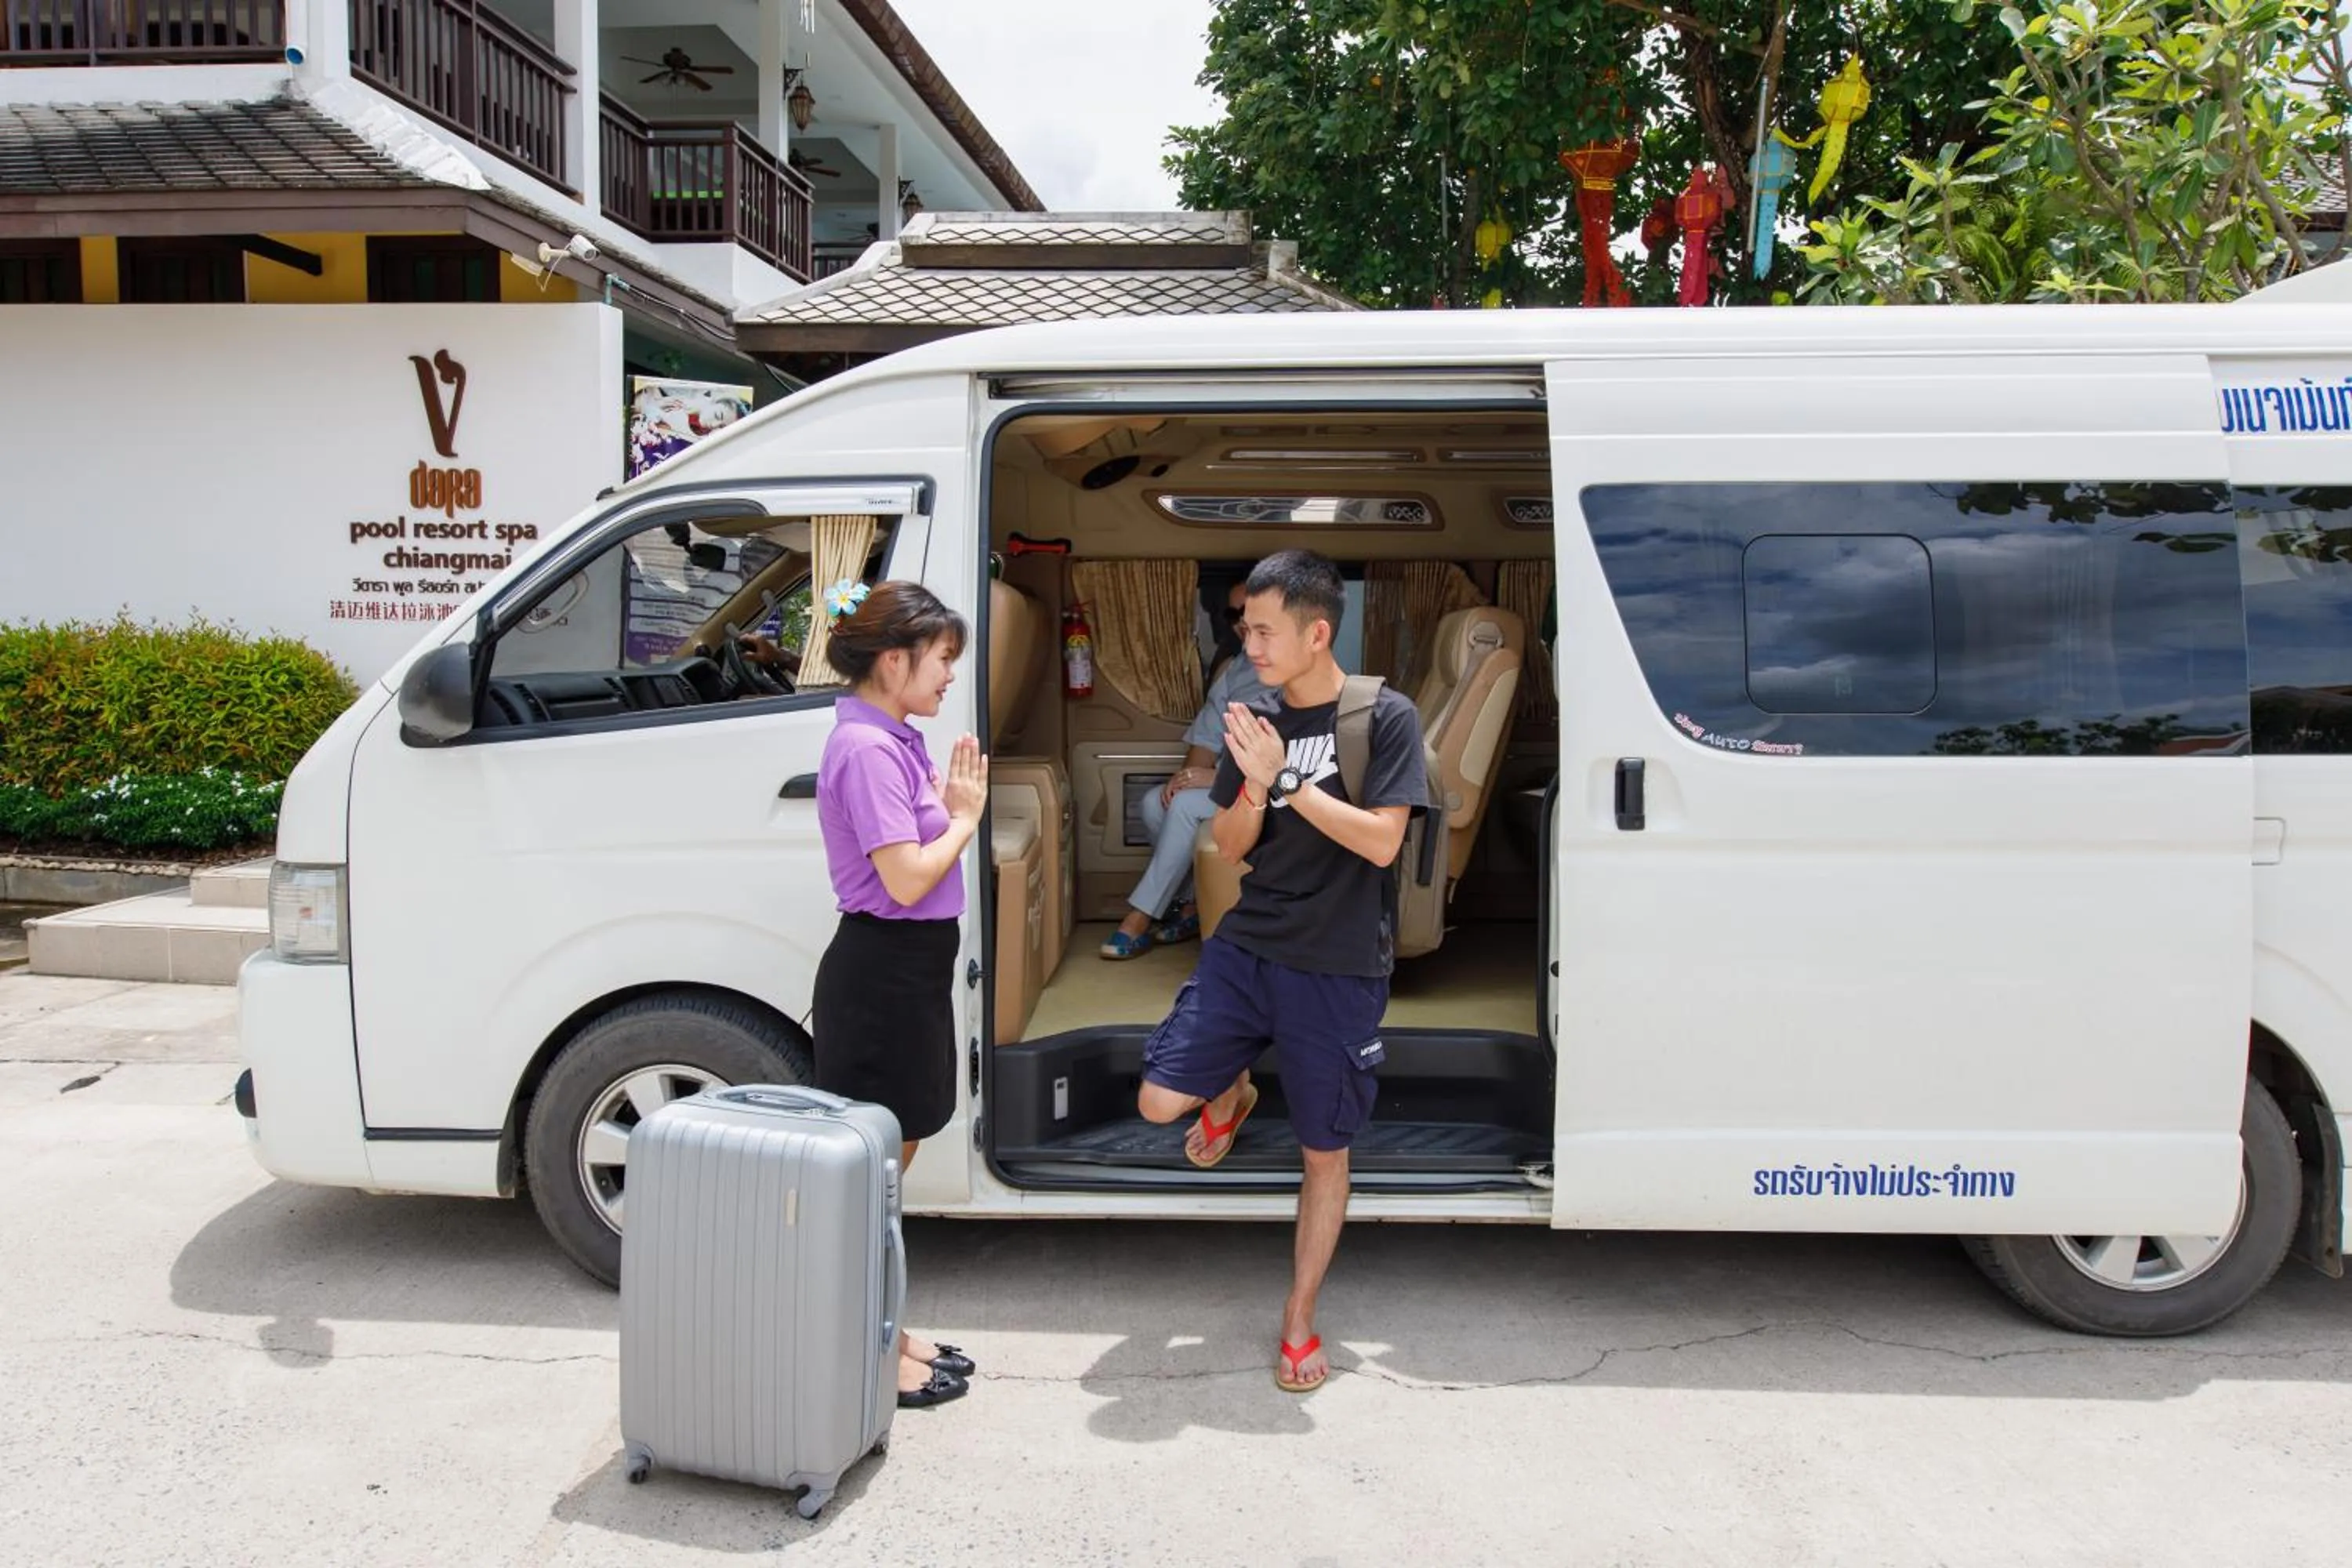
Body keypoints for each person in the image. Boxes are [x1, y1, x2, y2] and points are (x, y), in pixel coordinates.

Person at [1134, 550, 1428, 1395]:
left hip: (1337, 964)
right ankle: (1230, 1089)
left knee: (1323, 1152)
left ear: (1317, 631)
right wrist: (1255, 788)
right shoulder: (1251, 714)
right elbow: (1228, 845)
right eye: (1244, 627)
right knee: (1159, 1099)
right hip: (1251, 940)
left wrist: (1287, 777)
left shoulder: (1386, 717)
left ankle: (1299, 1317)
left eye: (1263, 629)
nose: (1249, 642)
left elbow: (1380, 840)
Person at [811, 577, 986, 1410]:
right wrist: (965, 817)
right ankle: (868, 1352)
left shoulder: (892, 735)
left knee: (887, 1173)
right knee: (872, 1181)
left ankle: (885, 1330)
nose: (950, 674)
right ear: (893, 659)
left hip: (906, 970)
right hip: (882, 974)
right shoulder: (869, 750)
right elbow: (908, 877)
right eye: (942, 658)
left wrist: (950, 807)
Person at [1100, 579, 1276, 960]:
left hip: (1273, 792)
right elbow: (1208, 738)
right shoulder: (1235, 669)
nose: (1241, 622)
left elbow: (1293, 756)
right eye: (1233, 614)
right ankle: (1192, 907)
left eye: (1250, 612)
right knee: (1157, 803)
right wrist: (1183, 781)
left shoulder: (1293, 672)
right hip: (1232, 787)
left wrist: (1217, 779)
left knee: (1184, 808)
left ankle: (1141, 916)